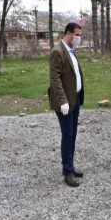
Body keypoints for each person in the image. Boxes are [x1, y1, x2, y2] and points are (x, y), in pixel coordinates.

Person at [48, 22, 84, 187]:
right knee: (67, 135)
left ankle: (69, 165)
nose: (79, 38)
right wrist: (62, 101)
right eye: (76, 35)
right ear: (68, 33)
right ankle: (67, 171)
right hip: (65, 103)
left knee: (73, 134)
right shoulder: (57, 52)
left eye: (79, 35)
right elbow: (55, 79)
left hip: (75, 99)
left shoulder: (71, 51)